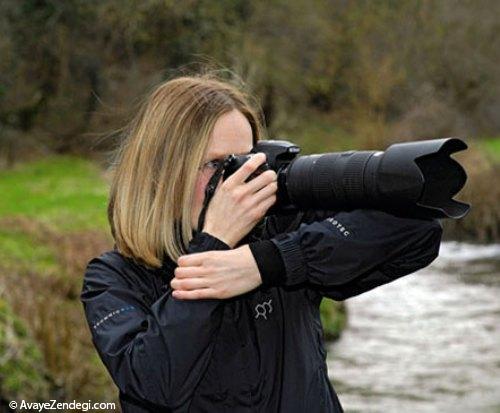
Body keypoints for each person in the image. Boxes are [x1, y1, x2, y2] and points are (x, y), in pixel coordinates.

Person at [80, 74, 443, 413]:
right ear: (163, 171)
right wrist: (215, 243)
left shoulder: (280, 229)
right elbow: (154, 385)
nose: (240, 179)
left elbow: (417, 231)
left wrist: (268, 262)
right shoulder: (114, 279)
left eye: (246, 160)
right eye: (217, 164)